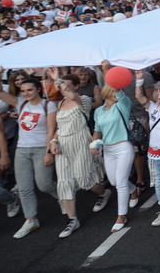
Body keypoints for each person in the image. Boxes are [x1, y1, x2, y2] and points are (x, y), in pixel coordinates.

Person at [0, 68, 59, 239]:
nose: (26, 93)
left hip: (41, 149)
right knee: (24, 188)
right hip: (22, 150)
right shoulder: (20, 103)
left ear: (38, 89)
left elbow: (51, 131)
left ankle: (63, 197)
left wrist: (48, 152)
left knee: (44, 184)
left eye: (29, 90)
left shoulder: (48, 105)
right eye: (23, 91)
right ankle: (31, 219)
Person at [48, 71, 110, 238]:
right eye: (63, 87)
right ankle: (72, 219)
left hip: (80, 142)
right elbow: (59, 128)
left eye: (69, 87)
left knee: (84, 180)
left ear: (76, 87)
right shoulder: (60, 104)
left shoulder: (83, 100)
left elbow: (72, 96)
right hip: (63, 145)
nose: (65, 90)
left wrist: (58, 80)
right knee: (64, 182)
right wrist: (53, 142)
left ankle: (103, 192)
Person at [91, 65, 135, 233]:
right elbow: (97, 131)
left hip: (124, 146)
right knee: (115, 181)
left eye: (118, 90)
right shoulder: (99, 111)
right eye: (114, 90)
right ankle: (134, 191)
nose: (117, 92)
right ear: (107, 92)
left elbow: (120, 91)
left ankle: (121, 216)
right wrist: (94, 145)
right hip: (108, 150)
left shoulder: (123, 105)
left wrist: (107, 72)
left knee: (121, 182)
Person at [134, 71, 160, 228]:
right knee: (158, 182)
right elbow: (139, 96)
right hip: (154, 152)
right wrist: (139, 80)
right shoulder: (151, 107)